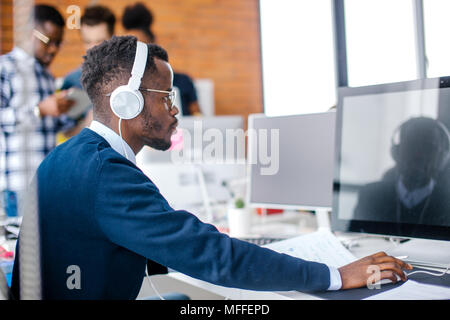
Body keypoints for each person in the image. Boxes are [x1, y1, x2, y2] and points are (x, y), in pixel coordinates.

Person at [11, 36, 411, 299]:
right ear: (126, 103)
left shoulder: (69, 157)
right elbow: (214, 258)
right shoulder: (105, 173)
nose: (174, 111)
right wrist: (336, 274)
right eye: (166, 96)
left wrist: (177, 238)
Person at [0, 4, 76, 215]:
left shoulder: (48, 78)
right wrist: (39, 110)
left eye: (58, 43)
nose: (53, 49)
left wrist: (83, 111)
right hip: (16, 187)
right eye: (47, 41)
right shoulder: (4, 68)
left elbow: (60, 128)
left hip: (47, 184)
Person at [353, 117, 450, 230]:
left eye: (428, 147)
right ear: (396, 152)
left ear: (442, 158)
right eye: (411, 145)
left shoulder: (447, 203)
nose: (418, 155)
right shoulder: (369, 195)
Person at [122, 2, 202, 116]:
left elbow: (199, 117)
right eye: (130, 48)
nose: (136, 54)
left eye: (141, 47)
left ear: (153, 45)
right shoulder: (125, 87)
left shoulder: (183, 81)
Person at [60, 5, 116, 90]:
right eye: (88, 42)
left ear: (113, 39)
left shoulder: (131, 76)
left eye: (100, 41)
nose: (93, 48)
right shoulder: (71, 81)